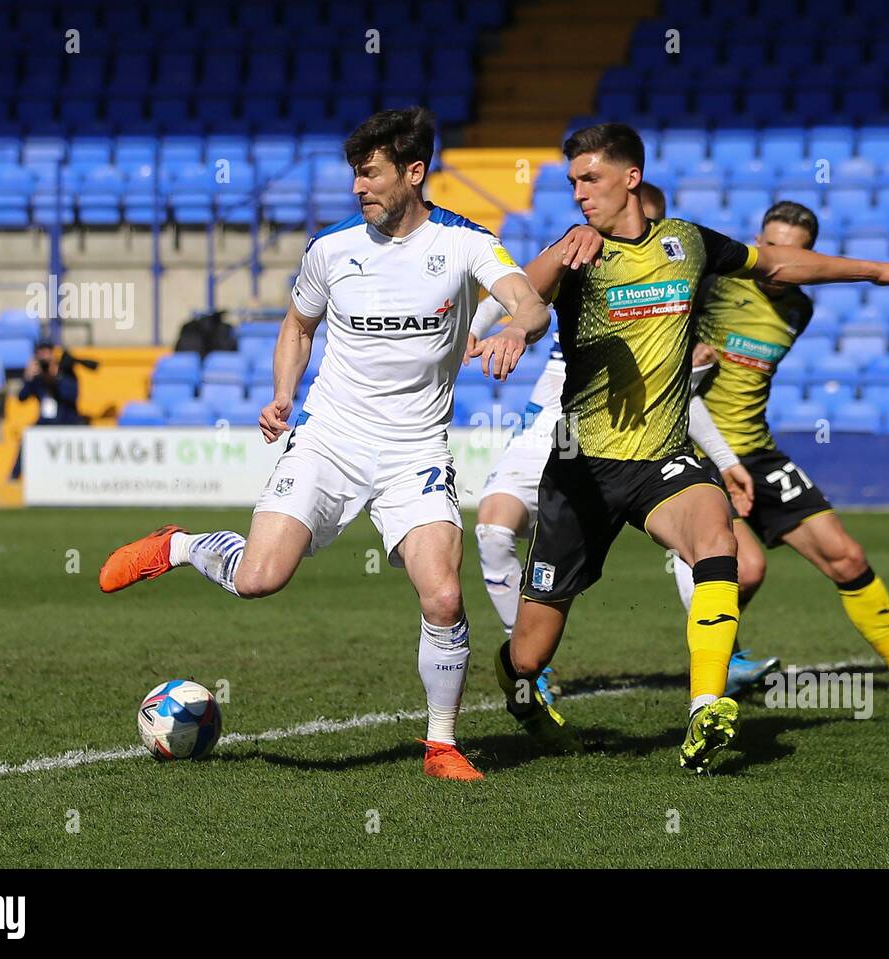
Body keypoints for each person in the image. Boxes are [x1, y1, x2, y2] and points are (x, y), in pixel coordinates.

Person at [98, 107, 553, 781]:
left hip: (415, 450)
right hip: (330, 439)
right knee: (259, 579)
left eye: (371, 174)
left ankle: (441, 745)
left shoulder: (465, 243)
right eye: (355, 174)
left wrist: (518, 327)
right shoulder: (331, 249)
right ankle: (182, 545)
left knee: (445, 598)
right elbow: (298, 325)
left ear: (414, 172)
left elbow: (530, 300)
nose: (358, 188)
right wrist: (284, 391)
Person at [471, 123, 889, 772]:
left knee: (717, 541)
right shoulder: (574, 249)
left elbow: (776, 264)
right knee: (529, 653)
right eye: (572, 181)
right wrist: (516, 329)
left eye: (590, 178)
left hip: (660, 458)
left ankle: (706, 705)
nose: (578, 192)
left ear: (632, 178)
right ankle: (521, 688)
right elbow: (530, 296)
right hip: (581, 470)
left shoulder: (684, 243)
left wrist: (876, 270)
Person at [676, 201, 889, 694]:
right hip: (699, 453)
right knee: (746, 570)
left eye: (792, 252)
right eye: (770, 245)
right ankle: (717, 660)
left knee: (846, 555)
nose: (778, 260)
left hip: (757, 451)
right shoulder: (713, 284)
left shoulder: (799, 309)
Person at [467, 183, 666, 704]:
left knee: (697, 539)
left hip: (612, 431)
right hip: (545, 420)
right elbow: (520, 285)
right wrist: (476, 327)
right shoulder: (579, 252)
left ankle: (723, 658)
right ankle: (528, 665)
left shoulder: (672, 277)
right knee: (491, 528)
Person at [11, 341, 83, 479]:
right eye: (40, 352)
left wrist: (55, 377)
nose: (44, 355)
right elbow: (22, 397)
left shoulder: (65, 372)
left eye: (47, 351)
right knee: (27, 440)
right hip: (45, 423)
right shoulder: (38, 378)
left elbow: (72, 395)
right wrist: (28, 377)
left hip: (67, 422)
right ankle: (13, 479)